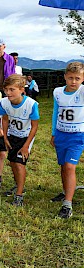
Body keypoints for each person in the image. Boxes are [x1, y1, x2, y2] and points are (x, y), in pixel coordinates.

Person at [0, 74, 39, 206]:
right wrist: (4, 136)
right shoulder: (4, 102)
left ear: (22, 89)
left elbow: (34, 127)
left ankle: (19, 195)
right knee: (13, 162)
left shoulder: (31, 104)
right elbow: (4, 118)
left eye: (12, 90)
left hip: (25, 137)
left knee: (20, 164)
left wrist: (26, 146)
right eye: (6, 90)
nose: (8, 93)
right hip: (12, 135)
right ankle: (18, 186)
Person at [50, 62, 84, 218]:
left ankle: (67, 205)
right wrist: (53, 133)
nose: (74, 82)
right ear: (65, 77)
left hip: (77, 135)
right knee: (63, 166)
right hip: (61, 134)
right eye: (70, 78)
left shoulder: (82, 92)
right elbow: (56, 112)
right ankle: (65, 192)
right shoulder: (58, 92)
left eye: (78, 78)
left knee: (70, 167)